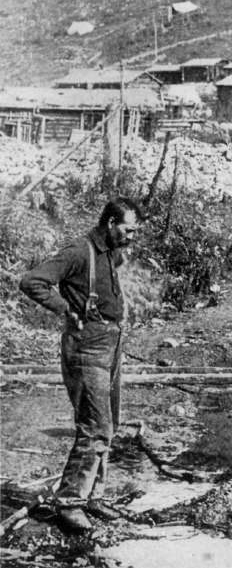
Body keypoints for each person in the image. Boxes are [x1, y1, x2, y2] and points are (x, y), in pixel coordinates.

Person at [20, 197, 144, 532]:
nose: (132, 236)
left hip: (111, 345)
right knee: (95, 426)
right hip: (86, 348)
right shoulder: (78, 251)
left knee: (110, 424)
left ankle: (93, 496)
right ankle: (69, 502)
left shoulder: (109, 253)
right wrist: (65, 308)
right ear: (109, 224)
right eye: (127, 229)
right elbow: (32, 281)